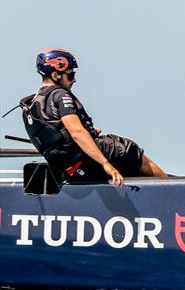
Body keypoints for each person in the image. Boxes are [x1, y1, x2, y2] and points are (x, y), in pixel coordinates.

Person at [20, 48, 166, 186]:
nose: (74, 80)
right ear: (55, 75)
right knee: (128, 149)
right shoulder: (60, 94)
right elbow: (76, 132)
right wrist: (105, 164)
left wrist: (89, 133)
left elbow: (55, 134)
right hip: (85, 159)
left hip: (67, 168)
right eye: (70, 75)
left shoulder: (33, 104)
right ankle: (170, 185)